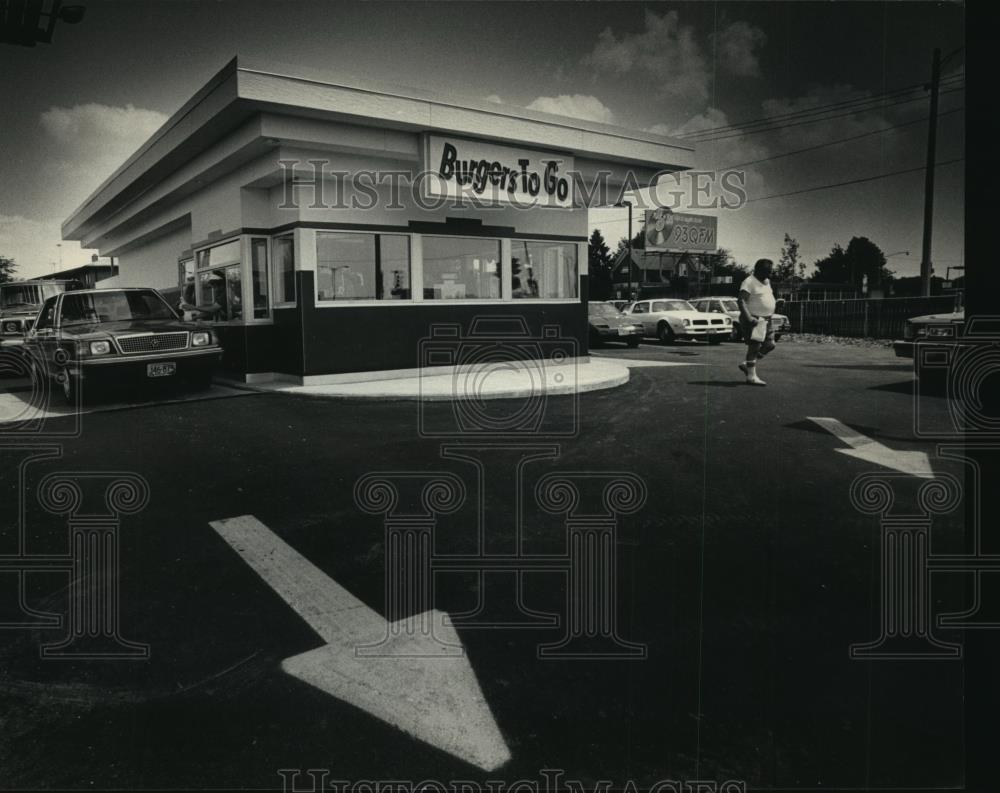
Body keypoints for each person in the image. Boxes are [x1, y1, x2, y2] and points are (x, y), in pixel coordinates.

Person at [737, 258, 777, 385]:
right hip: (755, 319)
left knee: (770, 344)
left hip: (766, 319)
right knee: (754, 347)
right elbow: (741, 301)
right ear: (759, 270)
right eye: (768, 271)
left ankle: (747, 364)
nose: (770, 274)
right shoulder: (749, 282)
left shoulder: (767, 281)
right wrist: (748, 318)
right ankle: (751, 376)